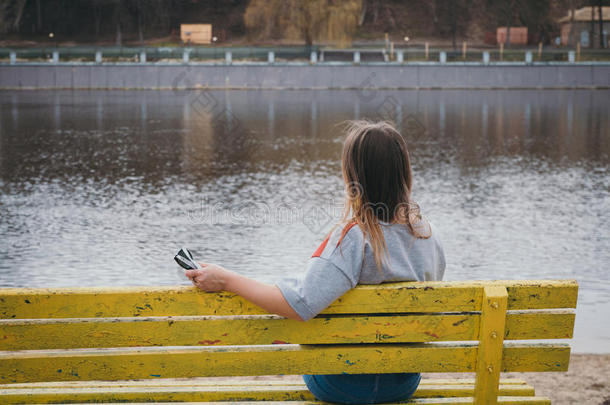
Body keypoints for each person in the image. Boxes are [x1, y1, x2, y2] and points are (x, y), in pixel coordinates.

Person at [186, 120, 446, 404]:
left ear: (353, 179)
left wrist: (227, 279)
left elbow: (299, 302)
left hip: (341, 384)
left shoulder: (354, 238)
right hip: (402, 382)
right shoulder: (427, 235)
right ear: (404, 174)